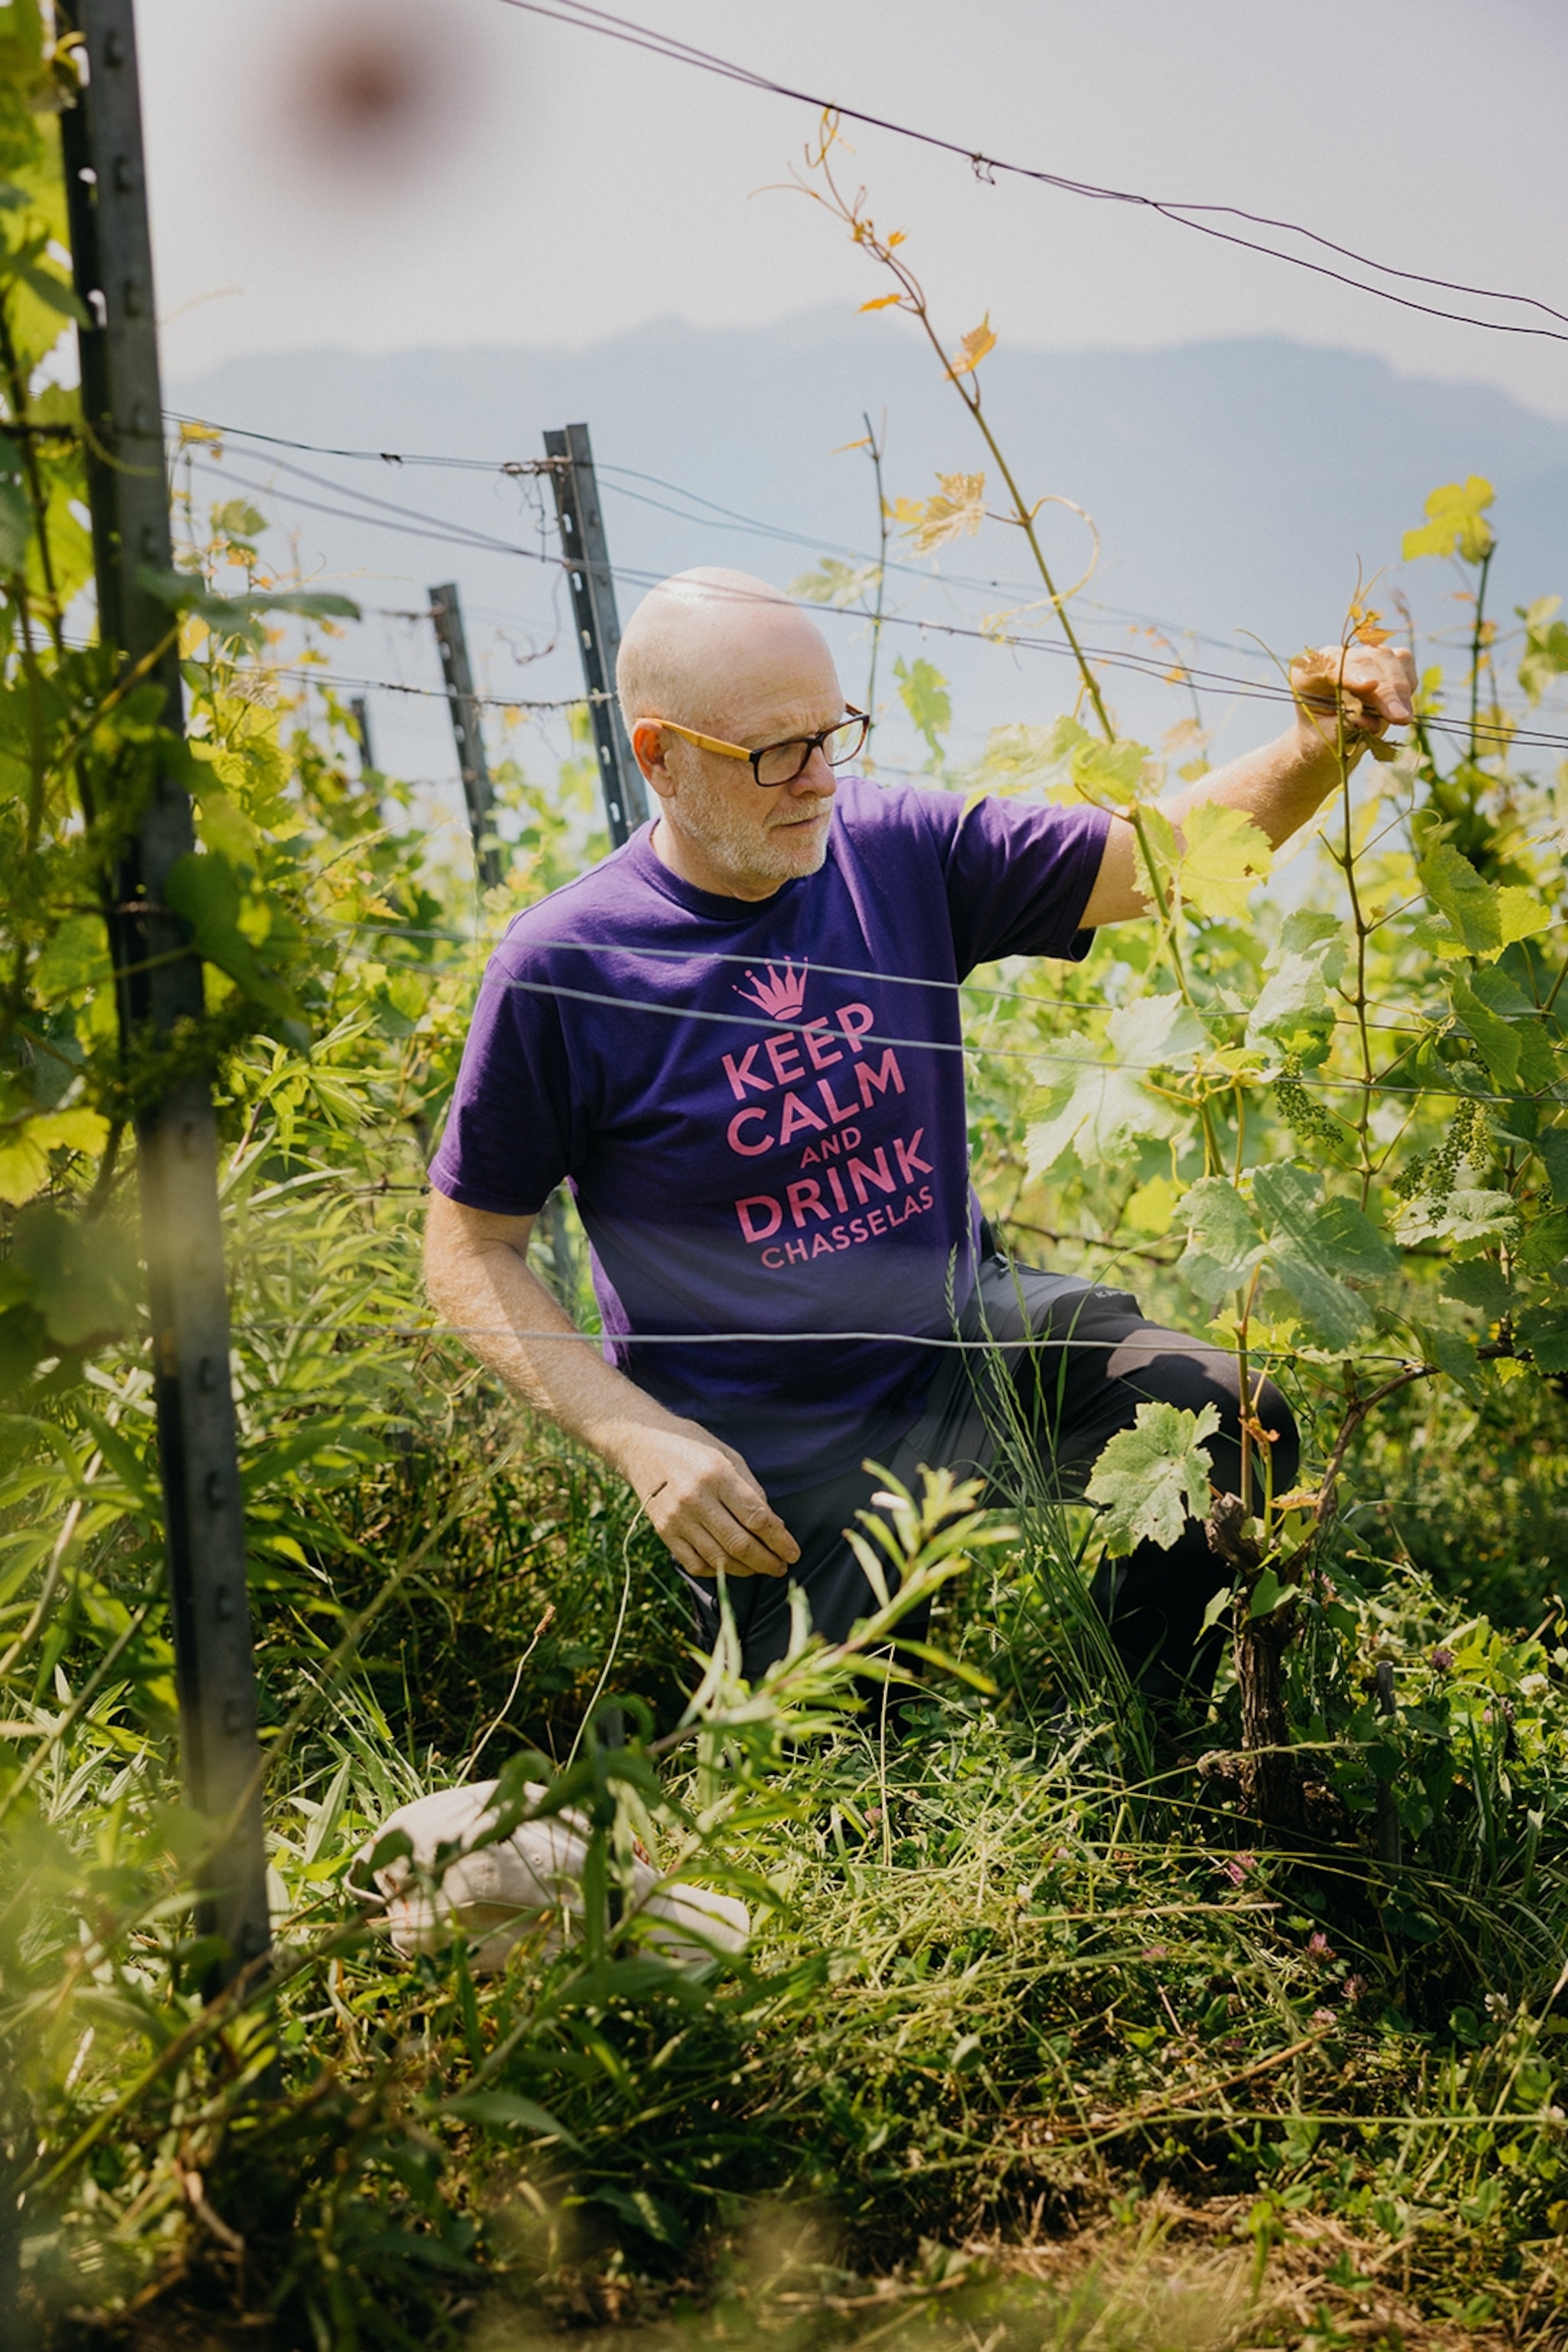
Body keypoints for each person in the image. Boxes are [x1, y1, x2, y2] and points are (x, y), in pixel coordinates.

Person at [423, 569, 1416, 1711]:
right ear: (660, 755)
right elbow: (468, 1249)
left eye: (830, 734)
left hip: (964, 1342)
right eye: (773, 754)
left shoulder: (893, 848)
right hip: (769, 1451)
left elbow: (1156, 860)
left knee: (1228, 1422)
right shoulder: (567, 966)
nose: (818, 781)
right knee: (837, 1804)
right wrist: (638, 1439)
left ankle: (1142, 1751)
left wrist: (1319, 746)